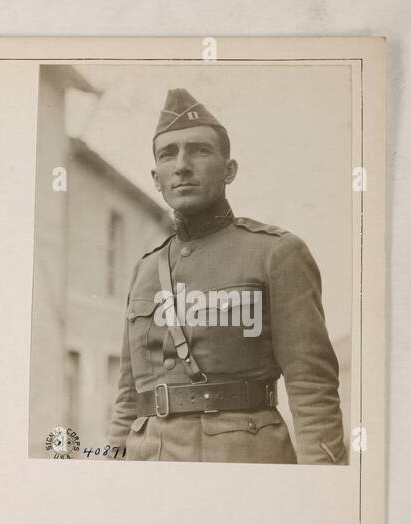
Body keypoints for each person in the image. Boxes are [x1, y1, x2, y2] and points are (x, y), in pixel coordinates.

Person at [107, 88, 348, 464]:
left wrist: (324, 484)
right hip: (148, 465)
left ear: (229, 169)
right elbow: (129, 397)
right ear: (157, 178)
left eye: (199, 150)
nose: (182, 165)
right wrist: (110, 470)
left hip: (244, 461)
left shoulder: (275, 252)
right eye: (168, 154)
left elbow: (312, 386)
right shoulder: (145, 270)